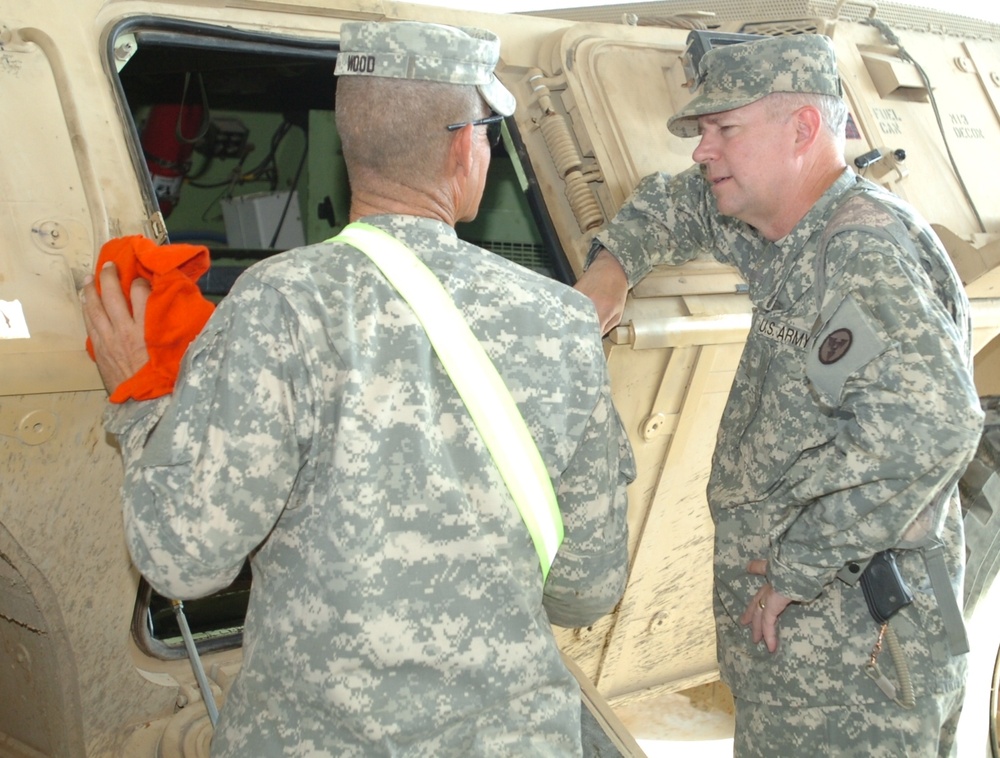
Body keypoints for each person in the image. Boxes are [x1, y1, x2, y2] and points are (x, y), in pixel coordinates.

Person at [82, 20, 634, 757]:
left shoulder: (278, 302)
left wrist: (141, 403)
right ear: (464, 147)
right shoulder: (561, 322)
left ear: (351, 145)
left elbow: (185, 558)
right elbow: (586, 589)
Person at [575, 33, 984, 757]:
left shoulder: (859, 251)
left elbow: (933, 428)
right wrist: (613, 267)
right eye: (703, 131)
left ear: (802, 129)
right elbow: (682, 202)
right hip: (802, 646)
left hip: (852, 663)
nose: (704, 150)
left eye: (725, 128)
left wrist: (799, 561)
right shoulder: (782, 232)